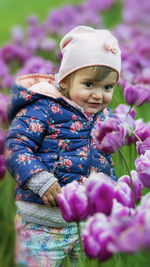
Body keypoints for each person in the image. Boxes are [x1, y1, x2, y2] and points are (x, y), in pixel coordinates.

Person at [4, 25, 121, 267]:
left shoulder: (104, 117)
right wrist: (39, 180)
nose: (99, 95)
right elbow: (16, 146)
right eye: (89, 84)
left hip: (85, 223)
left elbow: (104, 162)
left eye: (107, 87)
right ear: (66, 80)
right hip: (42, 224)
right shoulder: (43, 107)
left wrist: (112, 192)